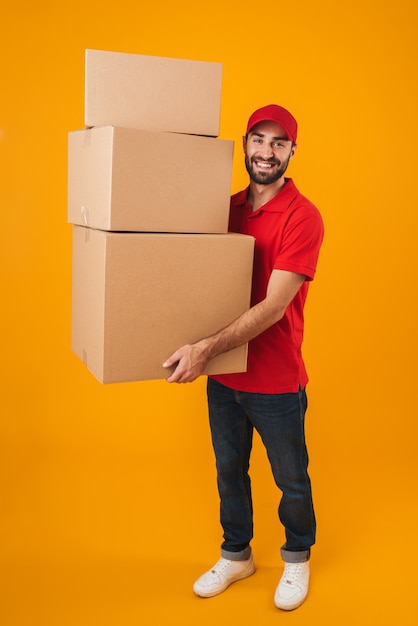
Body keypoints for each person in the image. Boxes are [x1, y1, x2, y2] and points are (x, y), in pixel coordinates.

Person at [162, 104, 324, 611]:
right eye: (259, 140)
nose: (267, 152)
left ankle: (297, 557)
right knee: (229, 470)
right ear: (246, 144)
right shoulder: (225, 208)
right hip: (225, 375)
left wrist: (204, 347)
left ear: (292, 152)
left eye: (279, 143)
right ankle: (237, 555)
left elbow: (274, 306)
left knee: (290, 477)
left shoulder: (303, 216)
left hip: (275, 378)